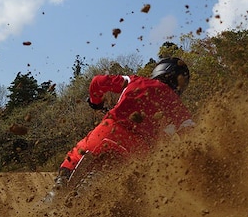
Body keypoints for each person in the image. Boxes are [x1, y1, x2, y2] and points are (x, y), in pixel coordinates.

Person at [48, 57, 195, 199]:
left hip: (109, 130)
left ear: (160, 70)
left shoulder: (135, 80)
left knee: (76, 153)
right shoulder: (178, 106)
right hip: (139, 149)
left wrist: (96, 102)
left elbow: (97, 82)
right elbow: (191, 137)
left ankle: (59, 187)